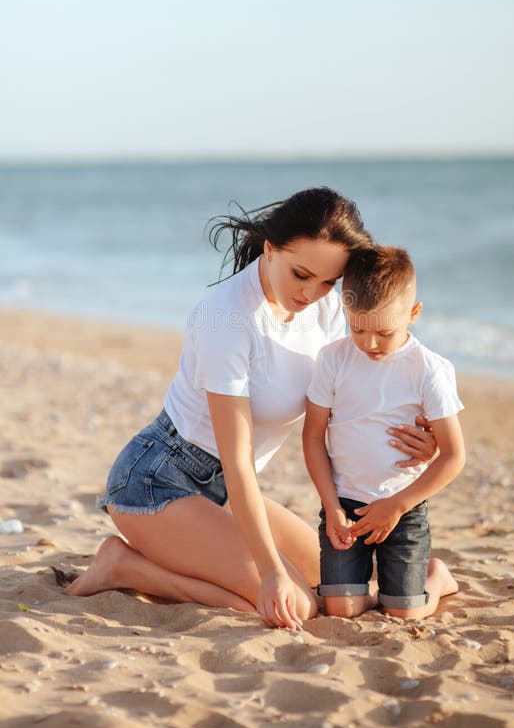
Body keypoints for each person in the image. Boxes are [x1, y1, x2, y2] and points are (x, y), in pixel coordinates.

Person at [67, 188, 439, 630]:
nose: (312, 293)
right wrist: (271, 573)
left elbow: (355, 399)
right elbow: (238, 460)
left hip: (225, 491)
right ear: (269, 248)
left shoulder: (322, 311)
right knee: (293, 603)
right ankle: (123, 567)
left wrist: (424, 440)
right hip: (157, 485)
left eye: (328, 282)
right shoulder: (226, 318)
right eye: (301, 274)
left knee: (333, 588)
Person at [303, 244, 465, 620]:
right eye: (357, 327)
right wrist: (331, 507)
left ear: (413, 313)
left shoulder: (429, 369)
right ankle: (370, 588)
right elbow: (312, 438)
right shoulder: (333, 359)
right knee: (341, 612)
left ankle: (436, 578)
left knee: (404, 615)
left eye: (384, 332)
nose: (369, 343)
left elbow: (455, 456)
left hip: (401, 508)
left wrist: (397, 505)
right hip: (344, 507)